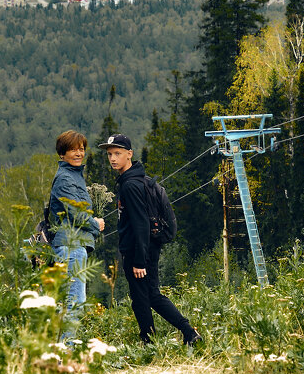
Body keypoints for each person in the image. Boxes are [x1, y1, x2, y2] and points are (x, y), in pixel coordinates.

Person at [99, 133, 201, 346]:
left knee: (147, 297)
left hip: (139, 250)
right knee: (145, 297)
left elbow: (141, 224)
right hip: (144, 248)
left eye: (117, 153)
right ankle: (164, 336)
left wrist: (138, 260)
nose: (113, 158)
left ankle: (166, 336)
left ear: (130, 154)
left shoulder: (130, 185)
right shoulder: (133, 180)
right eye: (110, 154)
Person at [49, 130, 105, 325]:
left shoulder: (73, 175)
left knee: (68, 303)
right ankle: (67, 352)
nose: (79, 153)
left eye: (81, 149)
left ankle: (61, 350)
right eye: (73, 150)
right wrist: (95, 224)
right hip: (70, 246)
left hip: (73, 246)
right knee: (74, 304)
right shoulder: (65, 178)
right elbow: (76, 213)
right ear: (62, 154)